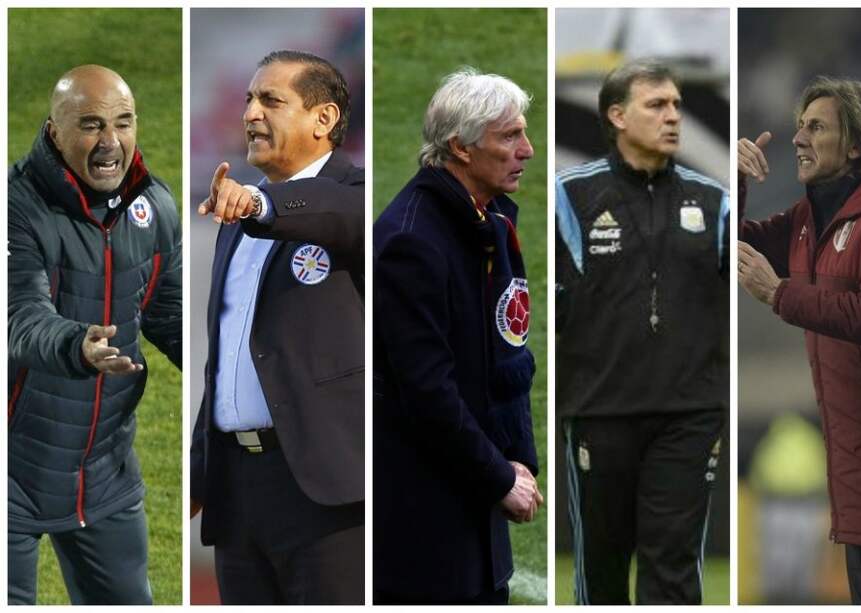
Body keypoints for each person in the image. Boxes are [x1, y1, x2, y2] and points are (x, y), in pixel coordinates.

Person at [190, 50, 364, 605]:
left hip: (325, 491)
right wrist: (200, 469)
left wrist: (259, 203)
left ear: (324, 119)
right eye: (247, 100)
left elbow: (334, 212)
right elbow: (228, 358)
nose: (250, 113)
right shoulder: (237, 221)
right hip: (238, 491)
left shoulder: (359, 198)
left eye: (271, 100)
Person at [556, 59, 729, 605]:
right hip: (600, 411)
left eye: (677, 104)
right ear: (617, 116)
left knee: (673, 568)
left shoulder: (713, 201)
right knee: (603, 572)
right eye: (657, 105)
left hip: (689, 415)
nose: (674, 116)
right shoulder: (571, 198)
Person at [8, 64, 182, 605]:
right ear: (55, 132)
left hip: (102, 472)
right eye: (90, 125)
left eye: (123, 122)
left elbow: (168, 313)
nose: (111, 142)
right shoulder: (16, 209)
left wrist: (236, 361)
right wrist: (76, 345)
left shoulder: (152, 207)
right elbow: (19, 316)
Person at [738, 76, 861, 605]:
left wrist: (780, 294)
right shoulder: (808, 220)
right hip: (857, 480)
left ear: (855, 144)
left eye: (816, 127)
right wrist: (735, 183)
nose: (799, 137)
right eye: (799, 126)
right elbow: (726, 249)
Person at [373, 68, 543, 605]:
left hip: (471, 494)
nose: (528, 150)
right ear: (460, 148)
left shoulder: (486, 221)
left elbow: (505, 355)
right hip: (425, 515)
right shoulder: (412, 241)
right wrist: (498, 475)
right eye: (509, 136)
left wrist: (518, 463)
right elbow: (428, 392)